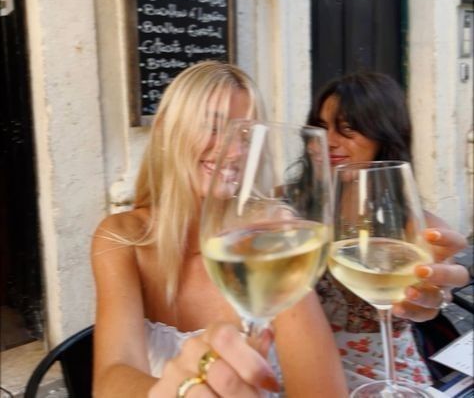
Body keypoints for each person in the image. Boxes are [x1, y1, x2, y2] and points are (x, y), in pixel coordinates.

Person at [92, 61, 348, 398]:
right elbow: (111, 377)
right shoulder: (121, 238)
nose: (235, 152)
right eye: (214, 128)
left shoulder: (274, 237)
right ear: (169, 130)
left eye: (246, 135)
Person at [307, 71, 470, 391]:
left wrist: (431, 296)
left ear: (384, 135)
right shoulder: (290, 209)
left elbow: (434, 288)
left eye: (348, 129)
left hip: (385, 373)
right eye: (322, 127)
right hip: (303, 365)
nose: (329, 141)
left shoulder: (419, 227)